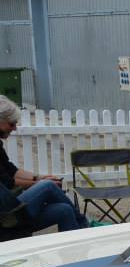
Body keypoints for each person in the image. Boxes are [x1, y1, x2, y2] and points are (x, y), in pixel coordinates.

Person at [0, 96, 88, 232]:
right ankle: (84, 226)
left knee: (64, 210)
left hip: (11, 206)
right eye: (11, 124)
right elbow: (9, 182)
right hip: (7, 215)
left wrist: (40, 177)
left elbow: (12, 170)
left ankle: (76, 250)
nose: (15, 128)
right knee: (48, 186)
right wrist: (41, 184)